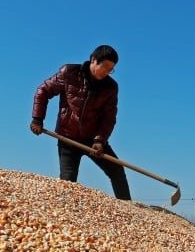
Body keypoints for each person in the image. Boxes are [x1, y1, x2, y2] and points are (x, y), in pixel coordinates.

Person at [31, 45, 131, 200]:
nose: (106, 72)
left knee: (117, 170)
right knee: (68, 181)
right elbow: (43, 91)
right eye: (104, 66)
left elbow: (108, 118)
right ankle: (67, 210)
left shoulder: (111, 87)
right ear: (93, 60)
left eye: (110, 69)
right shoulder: (69, 73)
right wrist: (38, 118)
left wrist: (100, 140)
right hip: (67, 137)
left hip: (93, 140)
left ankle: (129, 209)